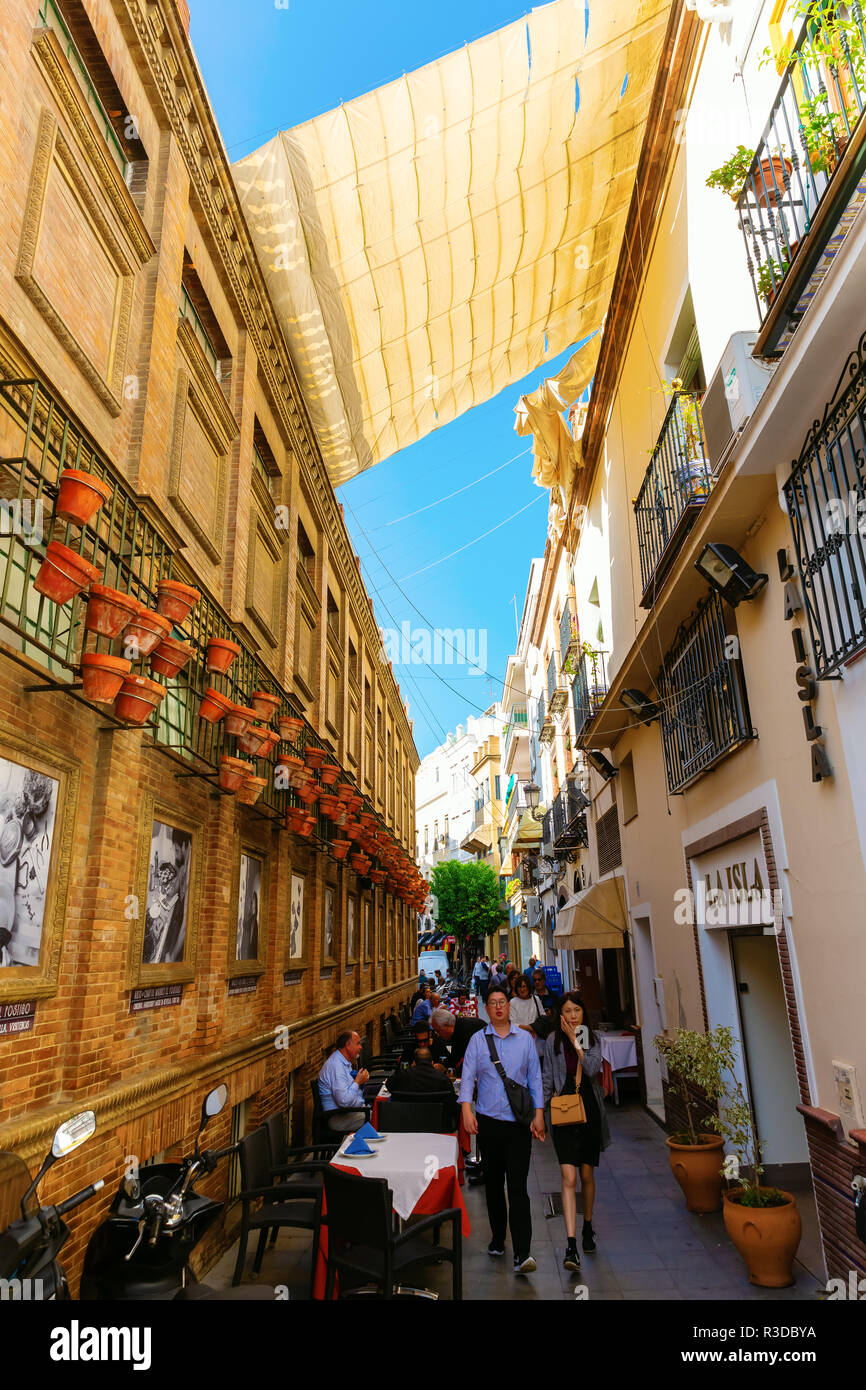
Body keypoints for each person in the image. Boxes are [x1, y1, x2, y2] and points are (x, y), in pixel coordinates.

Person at [459, 987, 545, 1274]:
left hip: (519, 1124)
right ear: (487, 1009)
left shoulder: (525, 1040)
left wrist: (539, 1115)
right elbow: (468, 1077)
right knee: (494, 1185)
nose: (498, 1008)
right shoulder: (477, 1041)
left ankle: (523, 1253)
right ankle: (498, 1238)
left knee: (518, 1187)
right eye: (493, 1003)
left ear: (509, 1007)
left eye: (502, 1003)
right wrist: (466, 1110)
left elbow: (535, 1077)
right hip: (489, 1124)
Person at [543, 993, 610, 1270]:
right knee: (568, 1176)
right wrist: (539, 1115)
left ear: (583, 1014)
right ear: (560, 1015)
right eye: (567, 1011)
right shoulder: (551, 1041)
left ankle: (587, 1226)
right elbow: (548, 1076)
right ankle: (571, 1246)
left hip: (589, 1111)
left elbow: (593, 1068)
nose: (572, 1016)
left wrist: (576, 1042)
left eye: (576, 1011)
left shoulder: (590, 1038)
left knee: (586, 1174)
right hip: (563, 1110)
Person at [387, 1046, 459, 1129]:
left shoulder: (401, 1076)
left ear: (414, 1062)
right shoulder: (443, 1080)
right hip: (438, 1127)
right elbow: (452, 1102)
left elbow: (388, 1085)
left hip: (405, 1125)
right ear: (432, 1063)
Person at [317, 1030, 371, 1133]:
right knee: (377, 1116)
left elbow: (350, 1092)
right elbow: (344, 1101)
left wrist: (362, 1081)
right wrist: (357, 1082)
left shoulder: (344, 1062)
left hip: (349, 1111)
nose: (361, 1047)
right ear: (348, 1045)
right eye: (358, 1044)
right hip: (338, 1117)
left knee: (379, 1111)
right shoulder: (336, 1066)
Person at [430, 1006, 485, 1076]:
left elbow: (467, 1062)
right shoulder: (458, 1027)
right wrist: (443, 1065)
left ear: (446, 1025)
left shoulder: (465, 1030)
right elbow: (455, 1055)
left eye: (438, 1031)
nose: (437, 1035)